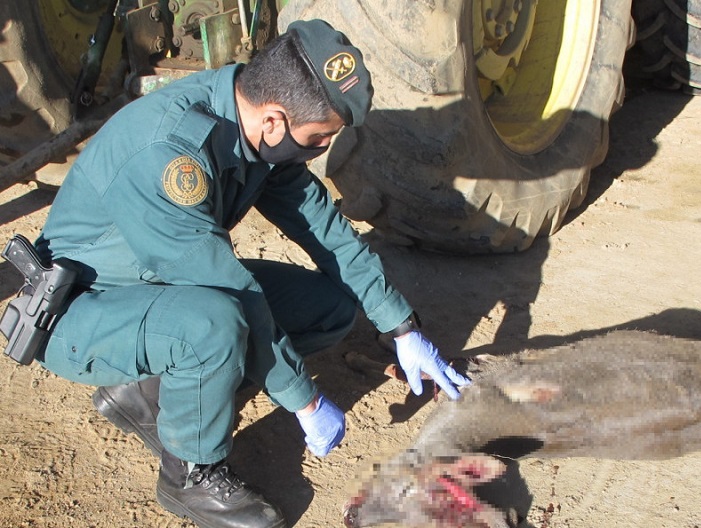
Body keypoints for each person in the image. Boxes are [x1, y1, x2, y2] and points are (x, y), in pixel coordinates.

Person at [28, 19, 470, 528]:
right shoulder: (171, 155)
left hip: (168, 286)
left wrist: (401, 327)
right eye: (320, 138)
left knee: (330, 308)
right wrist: (306, 402)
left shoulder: (253, 126)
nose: (321, 150)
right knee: (213, 325)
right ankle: (189, 472)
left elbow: (328, 234)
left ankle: (147, 396)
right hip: (89, 310)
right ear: (277, 122)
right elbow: (229, 291)